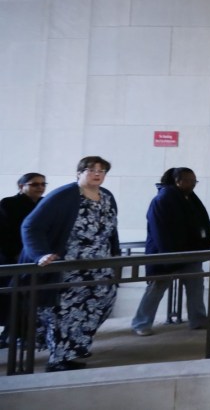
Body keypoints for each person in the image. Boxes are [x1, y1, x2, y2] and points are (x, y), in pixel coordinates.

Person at [20, 156, 120, 372]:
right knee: (64, 313)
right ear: (79, 173)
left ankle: (76, 348)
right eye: (91, 169)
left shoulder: (107, 196)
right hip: (68, 269)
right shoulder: (64, 195)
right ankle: (59, 359)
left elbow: (112, 230)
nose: (97, 173)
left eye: (102, 171)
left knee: (99, 306)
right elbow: (30, 226)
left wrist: (116, 257)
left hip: (100, 268)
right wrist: (40, 254)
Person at [131, 167, 210, 336]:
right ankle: (141, 323)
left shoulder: (188, 198)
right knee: (156, 288)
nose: (193, 184)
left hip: (189, 253)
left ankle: (197, 319)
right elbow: (160, 231)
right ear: (177, 181)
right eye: (189, 181)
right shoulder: (163, 200)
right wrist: (170, 256)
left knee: (196, 287)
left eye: (194, 181)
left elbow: (196, 221)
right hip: (166, 254)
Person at [0, 173, 47, 348]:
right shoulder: (9, 203)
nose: (40, 187)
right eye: (35, 184)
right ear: (21, 186)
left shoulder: (44, 203)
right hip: (13, 258)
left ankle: (18, 334)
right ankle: (11, 334)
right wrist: (14, 253)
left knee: (30, 297)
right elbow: (4, 232)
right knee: (14, 297)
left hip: (35, 257)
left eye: (43, 184)